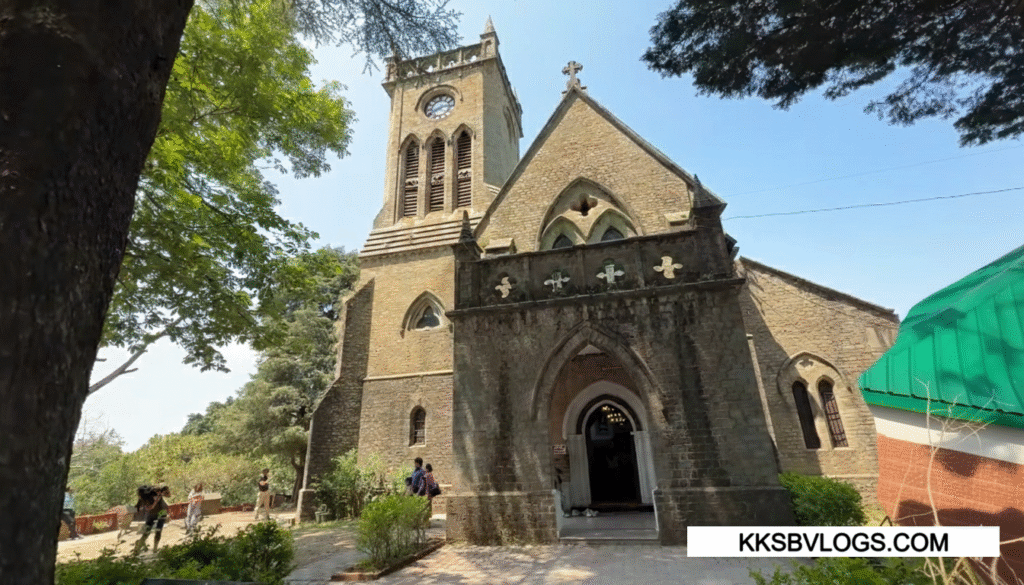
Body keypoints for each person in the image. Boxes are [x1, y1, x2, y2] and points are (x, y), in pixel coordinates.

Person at [135, 485, 169, 552]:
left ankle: (155, 548)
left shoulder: (156, 492)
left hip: (161, 512)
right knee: (147, 531)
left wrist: (163, 493)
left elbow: (168, 494)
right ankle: (138, 548)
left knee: (158, 531)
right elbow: (140, 506)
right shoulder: (143, 497)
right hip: (152, 514)